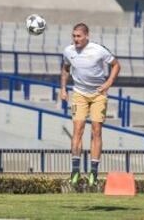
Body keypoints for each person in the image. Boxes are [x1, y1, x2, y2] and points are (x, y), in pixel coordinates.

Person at [60, 22, 121, 187]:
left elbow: (116, 65)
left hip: (98, 94)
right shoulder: (68, 51)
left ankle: (93, 171)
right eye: (73, 36)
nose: (75, 39)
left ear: (87, 36)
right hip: (79, 94)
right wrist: (63, 89)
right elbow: (65, 69)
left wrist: (108, 83)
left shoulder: (98, 50)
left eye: (78, 36)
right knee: (77, 130)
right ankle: (75, 171)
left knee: (96, 131)